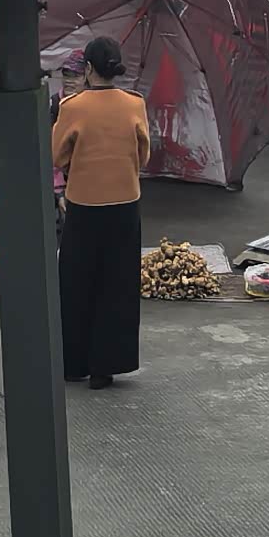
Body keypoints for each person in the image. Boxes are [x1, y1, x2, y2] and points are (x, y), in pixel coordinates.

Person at [51, 34, 152, 388]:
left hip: (84, 204)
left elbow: (57, 156)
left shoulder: (72, 107)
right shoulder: (134, 104)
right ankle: (104, 368)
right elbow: (143, 155)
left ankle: (73, 363)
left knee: (76, 283)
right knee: (117, 284)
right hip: (124, 204)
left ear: (88, 69)